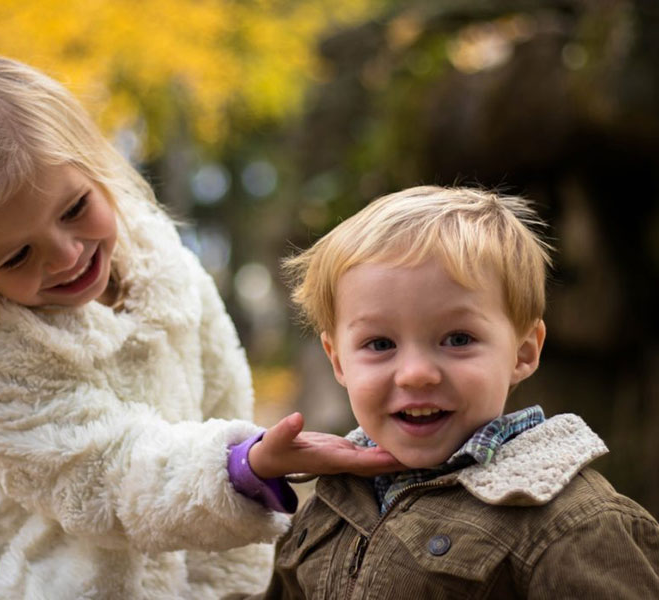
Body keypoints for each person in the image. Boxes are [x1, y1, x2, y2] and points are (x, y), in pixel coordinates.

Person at [0, 52, 399, 600]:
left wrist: (229, 578)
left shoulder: (160, 263)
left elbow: (221, 392)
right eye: (18, 255)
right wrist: (241, 467)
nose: (67, 255)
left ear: (96, 165)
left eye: (74, 208)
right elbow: (102, 478)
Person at [237, 186, 659, 598]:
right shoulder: (332, 500)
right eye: (380, 344)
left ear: (523, 352)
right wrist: (240, 471)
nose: (416, 375)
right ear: (338, 361)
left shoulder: (570, 522)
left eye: (457, 339)